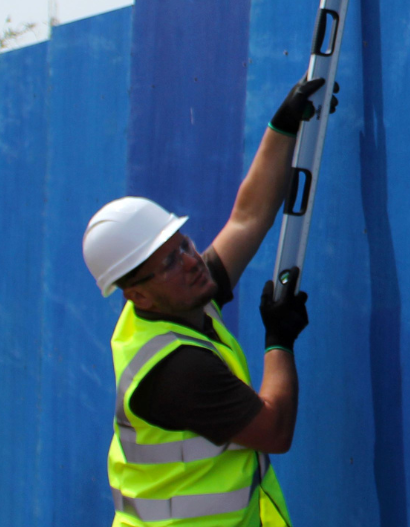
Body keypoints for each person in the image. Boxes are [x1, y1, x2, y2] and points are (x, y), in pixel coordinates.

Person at [82, 77, 326, 527]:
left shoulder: (173, 302)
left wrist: (283, 126)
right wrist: (279, 342)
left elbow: (246, 220)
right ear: (136, 292)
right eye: (170, 262)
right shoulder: (176, 371)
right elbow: (274, 430)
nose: (192, 262)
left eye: (184, 245)